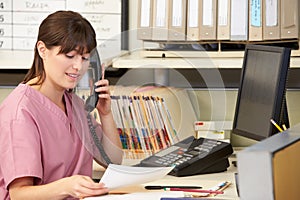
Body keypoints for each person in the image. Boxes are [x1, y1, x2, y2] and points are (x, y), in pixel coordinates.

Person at [0, 10, 123, 199]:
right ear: (43, 50)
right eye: (69, 56)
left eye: (84, 58)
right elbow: (19, 195)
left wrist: (105, 114)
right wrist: (68, 186)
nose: (78, 67)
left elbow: (113, 161)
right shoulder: (20, 111)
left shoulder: (75, 105)